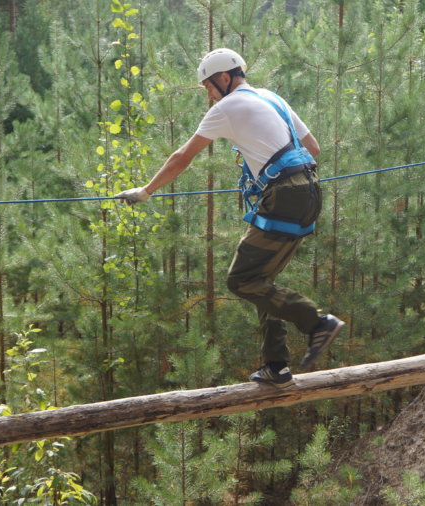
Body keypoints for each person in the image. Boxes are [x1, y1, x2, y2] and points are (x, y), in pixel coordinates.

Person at [116, 48, 344, 387]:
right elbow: (313, 148)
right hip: (309, 191)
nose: (208, 94)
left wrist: (145, 191)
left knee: (242, 281)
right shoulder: (272, 98)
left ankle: (317, 323)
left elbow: (183, 157)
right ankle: (276, 366)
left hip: (283, 197)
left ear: (224, 78)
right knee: (262, 281)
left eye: (208, 86)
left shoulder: (227, 107)